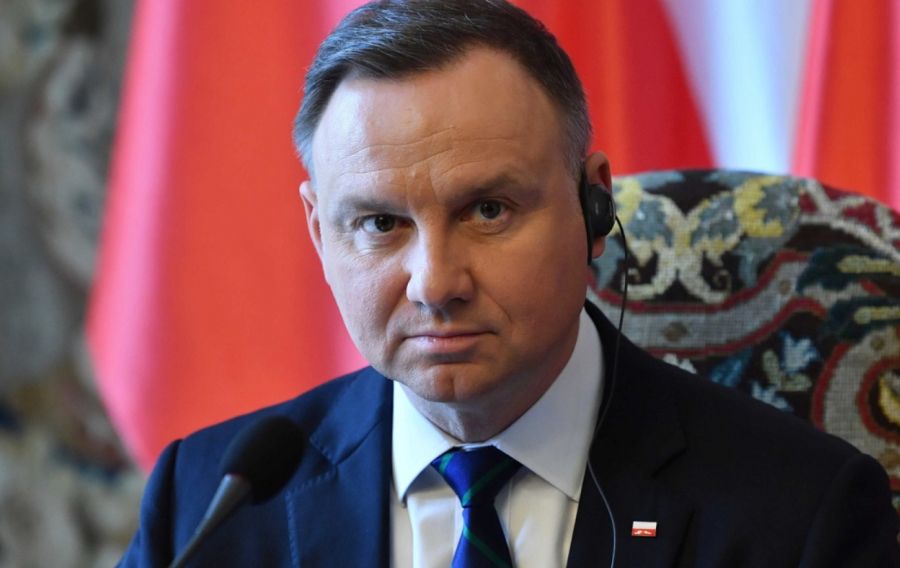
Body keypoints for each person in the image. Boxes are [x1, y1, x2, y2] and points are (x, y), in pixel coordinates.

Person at [120, 1, 899, 566]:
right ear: (320, 234)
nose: (435, 283)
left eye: (488, 210)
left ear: (592, 205)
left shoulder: (801, 514)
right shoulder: (211, 502)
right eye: (380, 223)